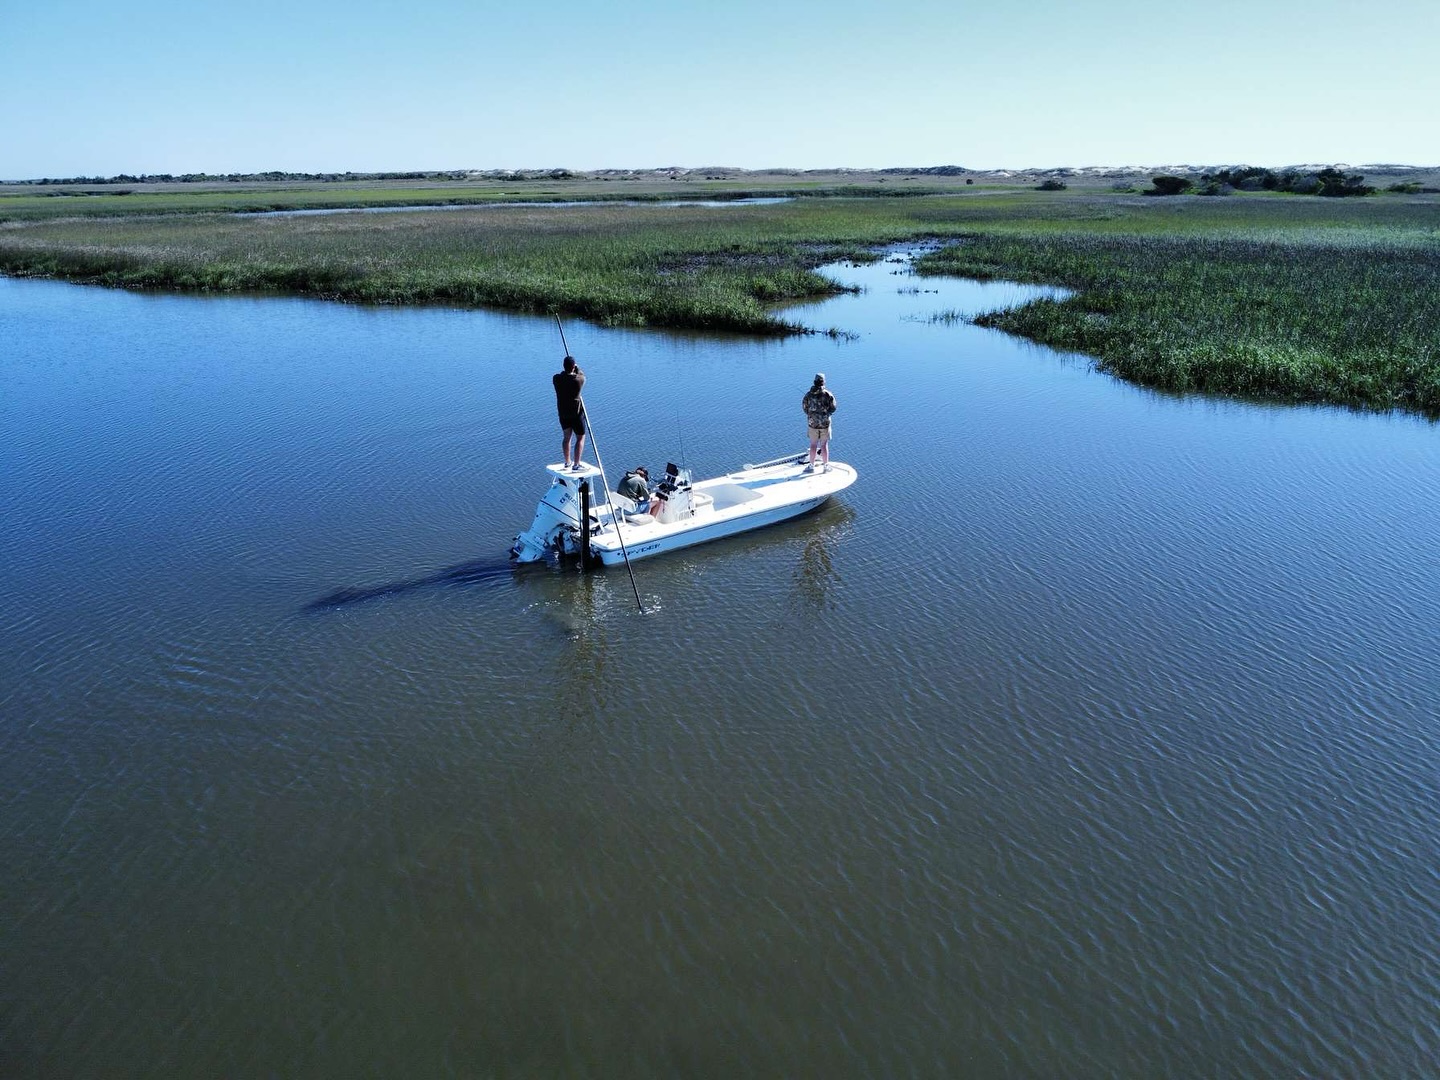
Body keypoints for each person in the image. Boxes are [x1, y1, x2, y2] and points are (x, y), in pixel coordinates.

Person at [552, 355, 586, 469]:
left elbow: (560, 375)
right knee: (580, 438)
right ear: (573, 367)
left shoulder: (556, 379)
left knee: (567, 438)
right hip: (576, 414)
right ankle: (576, 464)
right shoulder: (579, 380)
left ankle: (567, 462)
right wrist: (577, 368)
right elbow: (581, 374)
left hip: (563, 414)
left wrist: (569, 370)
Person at [802, 372, 837, 471]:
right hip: (825, 424)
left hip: (812, 424)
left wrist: (811, 414)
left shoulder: (808, 395)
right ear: (823, 382)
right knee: (824, 445)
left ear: (814, 382)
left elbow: (804, 408)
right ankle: (826, 466)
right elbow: (834, 407)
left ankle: (811, 466)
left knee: (813, 445)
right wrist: (827, 414)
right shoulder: (828, 394)